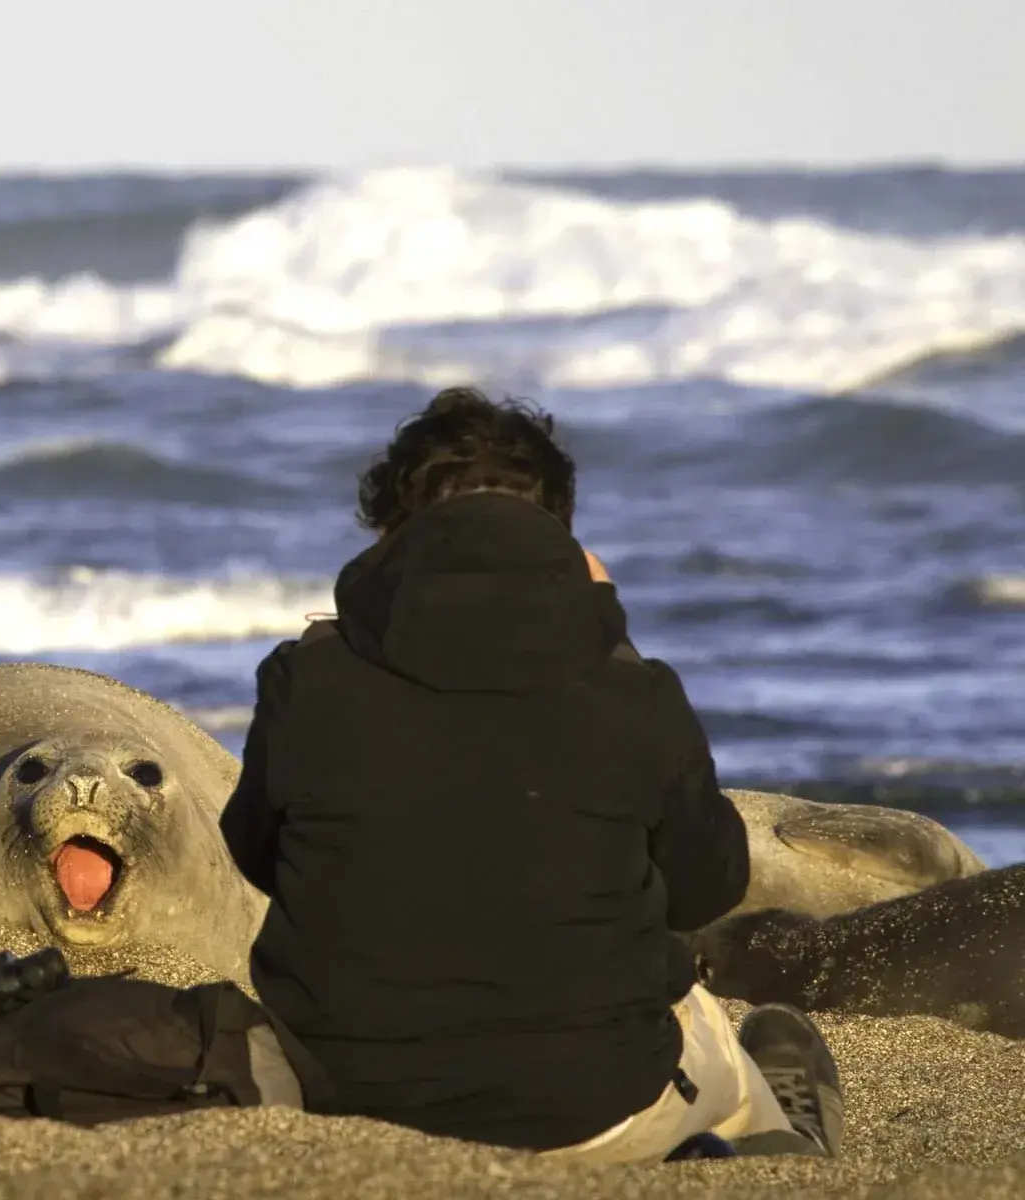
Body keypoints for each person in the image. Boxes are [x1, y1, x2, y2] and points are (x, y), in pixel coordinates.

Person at [217, 387, 843, 1162]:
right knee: (712, 1038)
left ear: (389, 534)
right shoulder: (632, 690)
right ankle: (784, 1144)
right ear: (558, 533)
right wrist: (605, 627)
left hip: (351, 1098)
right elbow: (707, 887)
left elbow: (258, 856)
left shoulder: (305, 678)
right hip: (589, 1107)